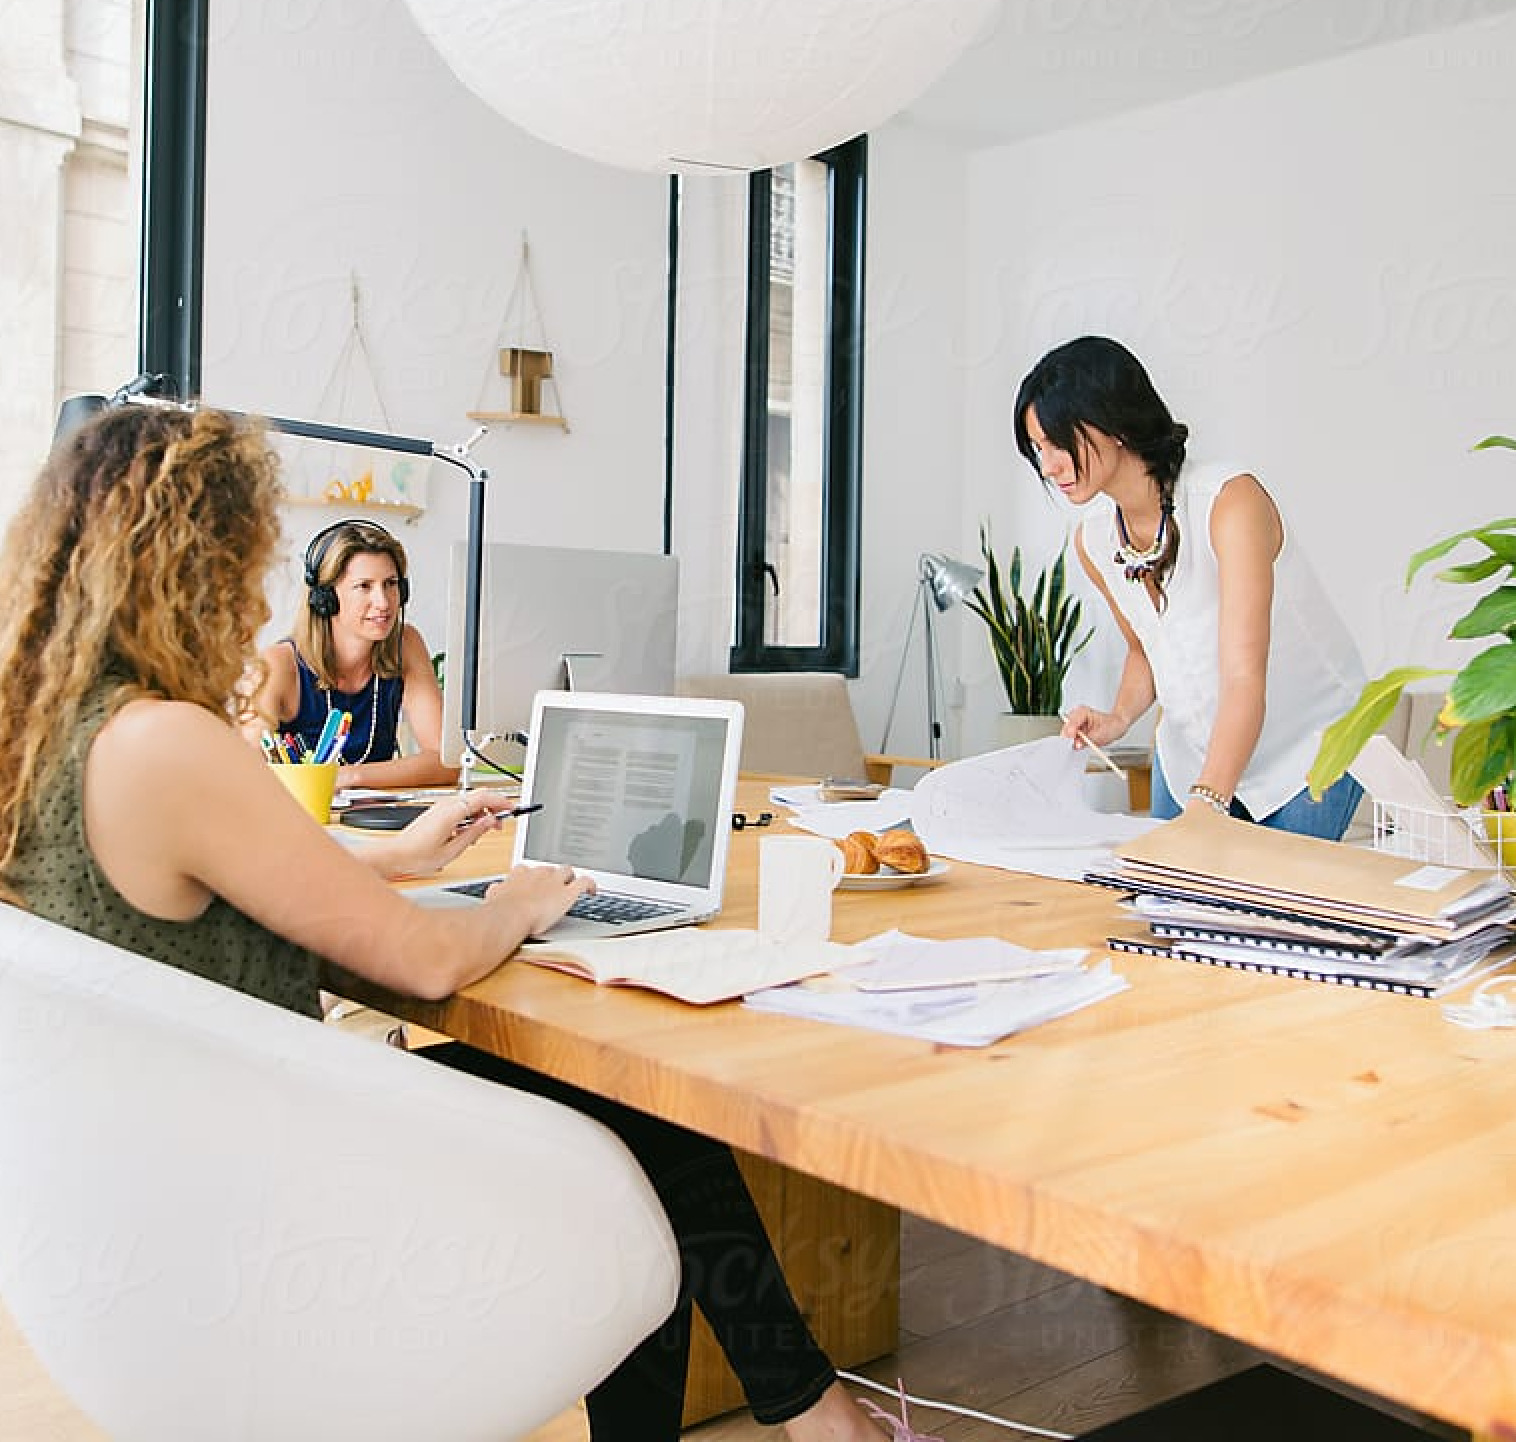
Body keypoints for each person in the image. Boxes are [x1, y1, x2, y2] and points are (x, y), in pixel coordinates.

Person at [0, 403, 890, 1442]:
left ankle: (808, 1408)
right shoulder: (165, 741)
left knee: (624, 1112)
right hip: (273, 1187)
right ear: (183, 564)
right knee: (645, 1107)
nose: (249, 598)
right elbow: (423, 958)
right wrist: (519, 898)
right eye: (240, 565)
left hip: (165, 1176)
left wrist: (392, 854)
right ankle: (819, 1413)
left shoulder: (49, 731)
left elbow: (189, 882)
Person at [1012, 335, 1366, 839]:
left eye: (1058, 442)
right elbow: (1146, 648)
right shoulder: (1093, 541)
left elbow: (1244, 678)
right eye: (1038, 449)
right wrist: (1117, 718)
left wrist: (1208, 804)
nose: (1049, 467)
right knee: (1162, 914)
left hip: (1306, 754)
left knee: (1277, 915)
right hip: (1190, 759)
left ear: (1112, 423)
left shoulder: (1228, 502)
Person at [244, 517, 454, 790]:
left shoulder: (405, 644)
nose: (383, 602)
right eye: (364, 586)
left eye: (390, 584)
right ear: (326, 599)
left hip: (375, 823)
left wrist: (348, 777)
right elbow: (244, 767)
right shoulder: (278, 665)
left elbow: (446, 762)